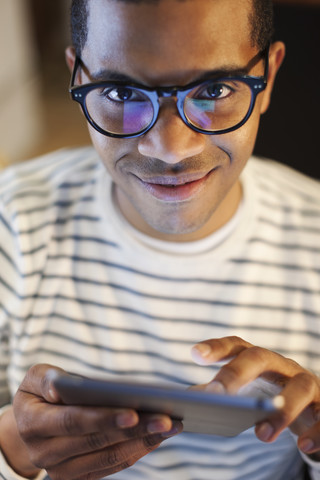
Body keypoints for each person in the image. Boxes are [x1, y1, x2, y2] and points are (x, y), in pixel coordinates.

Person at [0, 0, 319, 478]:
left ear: (269, 78)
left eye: (215, 88)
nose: (171, 149)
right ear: (78, 80)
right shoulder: (11, 222)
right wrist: (11, 451)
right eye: (122, 93)